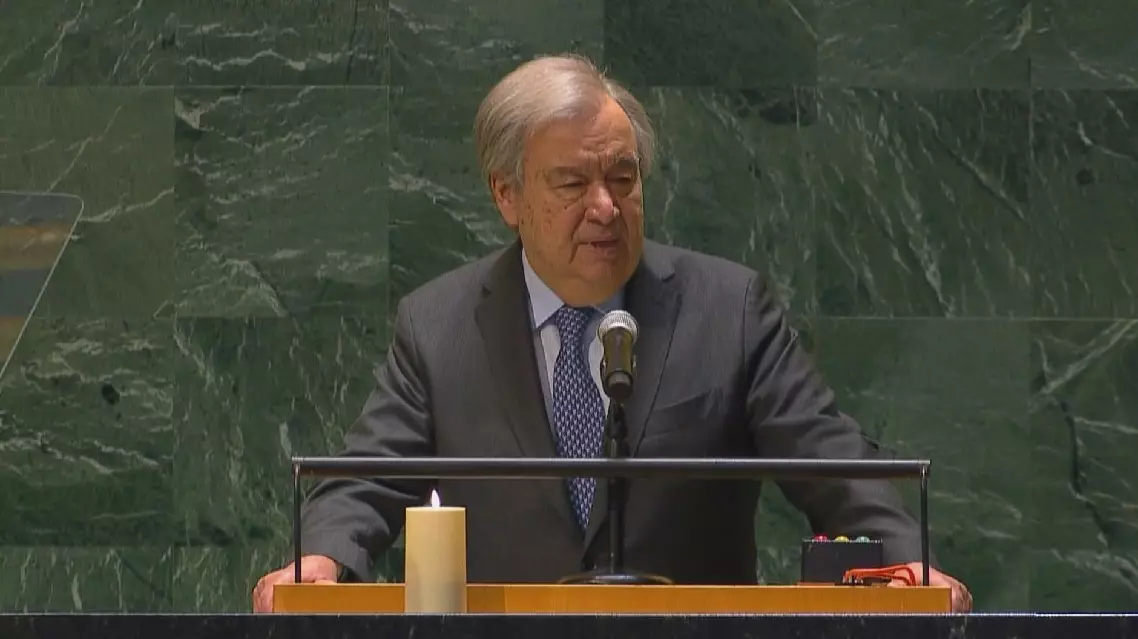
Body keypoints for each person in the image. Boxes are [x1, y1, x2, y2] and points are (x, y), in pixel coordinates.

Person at [252, 53, 972, 613]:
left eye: (623, 179)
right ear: (507, 195)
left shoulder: (728, 309)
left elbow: (830, 460)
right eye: (572, 184)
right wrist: (321, 561)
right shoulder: (438, 326)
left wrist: (910, 560)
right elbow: (369, 476)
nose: (605, 207)